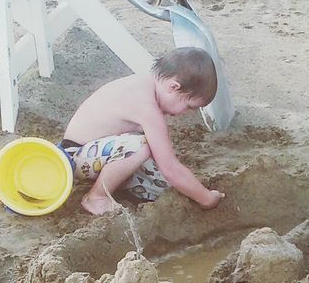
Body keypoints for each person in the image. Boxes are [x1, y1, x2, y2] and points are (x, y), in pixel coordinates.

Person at [62, 48, 225, 217]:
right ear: (173, 87)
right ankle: (96, 197)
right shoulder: (144, 105)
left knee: (164, 188)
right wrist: (207, 199)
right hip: (75, 157)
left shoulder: (149, 89)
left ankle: (118, 183)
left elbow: (165, 165)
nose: (187, 113)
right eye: (189, 106)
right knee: (140, 146)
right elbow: (170, 167)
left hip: (102, 154)